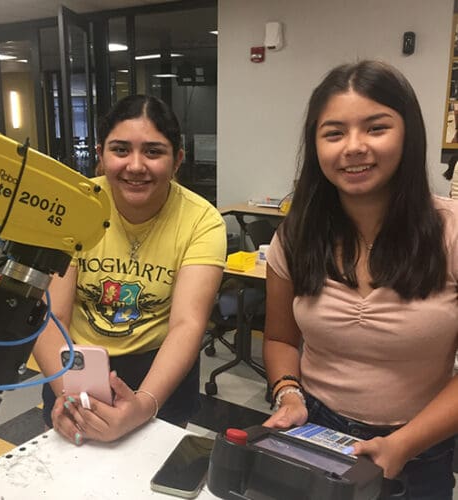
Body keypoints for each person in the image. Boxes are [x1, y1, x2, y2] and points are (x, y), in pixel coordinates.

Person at [263, 60, 458, 500]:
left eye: (375, 128)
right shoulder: (297, 235)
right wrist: (288, 395)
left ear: (407, 134)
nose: (353, 147)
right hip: (314, 432)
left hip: (420, 444)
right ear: (315, 145)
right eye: (333, 133)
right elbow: (278, 337)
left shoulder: (451, 231)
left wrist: (403, 444)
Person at [33, 94, 226, 444]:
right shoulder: (75, 207)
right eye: (120, 150)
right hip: (75, 366)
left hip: (159, 369)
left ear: (177, 159)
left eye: (153, 151)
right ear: (100, 154)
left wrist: (144, 405)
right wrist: (69, 395)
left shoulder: (201, 221)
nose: (136, 166)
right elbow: (52, 318)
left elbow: (188, 324)